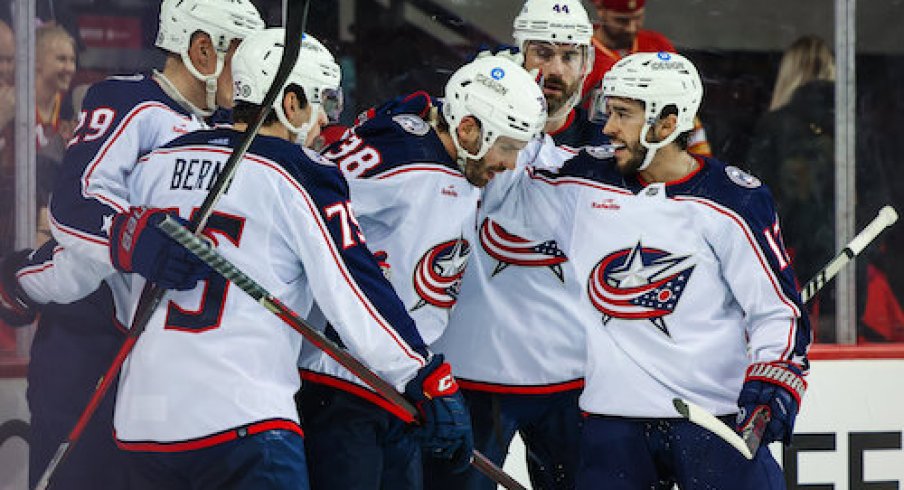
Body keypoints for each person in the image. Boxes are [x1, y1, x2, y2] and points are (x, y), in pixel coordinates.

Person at [111, 27, 471, 490]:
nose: (325, 122)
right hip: (244, 420)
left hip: (142, 419)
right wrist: (420, 372)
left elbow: (125, 291)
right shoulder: (301, 172)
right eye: (321, 102)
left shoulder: (156, 162)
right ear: (290, 102)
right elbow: (353, 288)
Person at [484, 52, 811, 489]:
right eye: (608, 110)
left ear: (668, 122)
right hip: (613, 422)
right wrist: (513, 112)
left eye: (623, 114)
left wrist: (773, 381)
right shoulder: (581, 181)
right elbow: (502, 199)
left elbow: (777, 311)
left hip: (712, 419)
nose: (608, 127)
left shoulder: (732, 201)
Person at [0, 1, 265, 488]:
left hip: (165, 359)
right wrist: (133, 239)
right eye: (242, 54)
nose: (254, 70)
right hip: (91, 345)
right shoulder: (132, 102)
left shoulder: (229, 131)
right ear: (201, 49)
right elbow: (75, 207)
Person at [296, 54, 546, 489]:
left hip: (397, 386)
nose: (509, 164)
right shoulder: (406, 162)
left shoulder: (445, 156)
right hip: (342, 380)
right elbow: (303, 202)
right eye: (506, 147)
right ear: (468, 130)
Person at [430, 1, 605, 488]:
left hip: (573, 381)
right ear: (517, 51)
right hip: (470, 374)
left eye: (569, 57)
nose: (554, 69)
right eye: (542, 52)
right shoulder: (465, 135)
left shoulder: (607, 156)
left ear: (587, 65)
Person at [745, 35, 837, 339]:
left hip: (786, 255)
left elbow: (756, 201)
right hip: (845, 256)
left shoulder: (774, 125)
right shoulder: (852, 124)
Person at [582, 0, 711, 157]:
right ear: (601, 11)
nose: (631, 27)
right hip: (597, 144)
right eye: (621, 20)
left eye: (637, 18)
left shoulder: (657, 46)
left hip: (655, 148)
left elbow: (680, 103)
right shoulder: (579, 51)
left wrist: (698, 152)